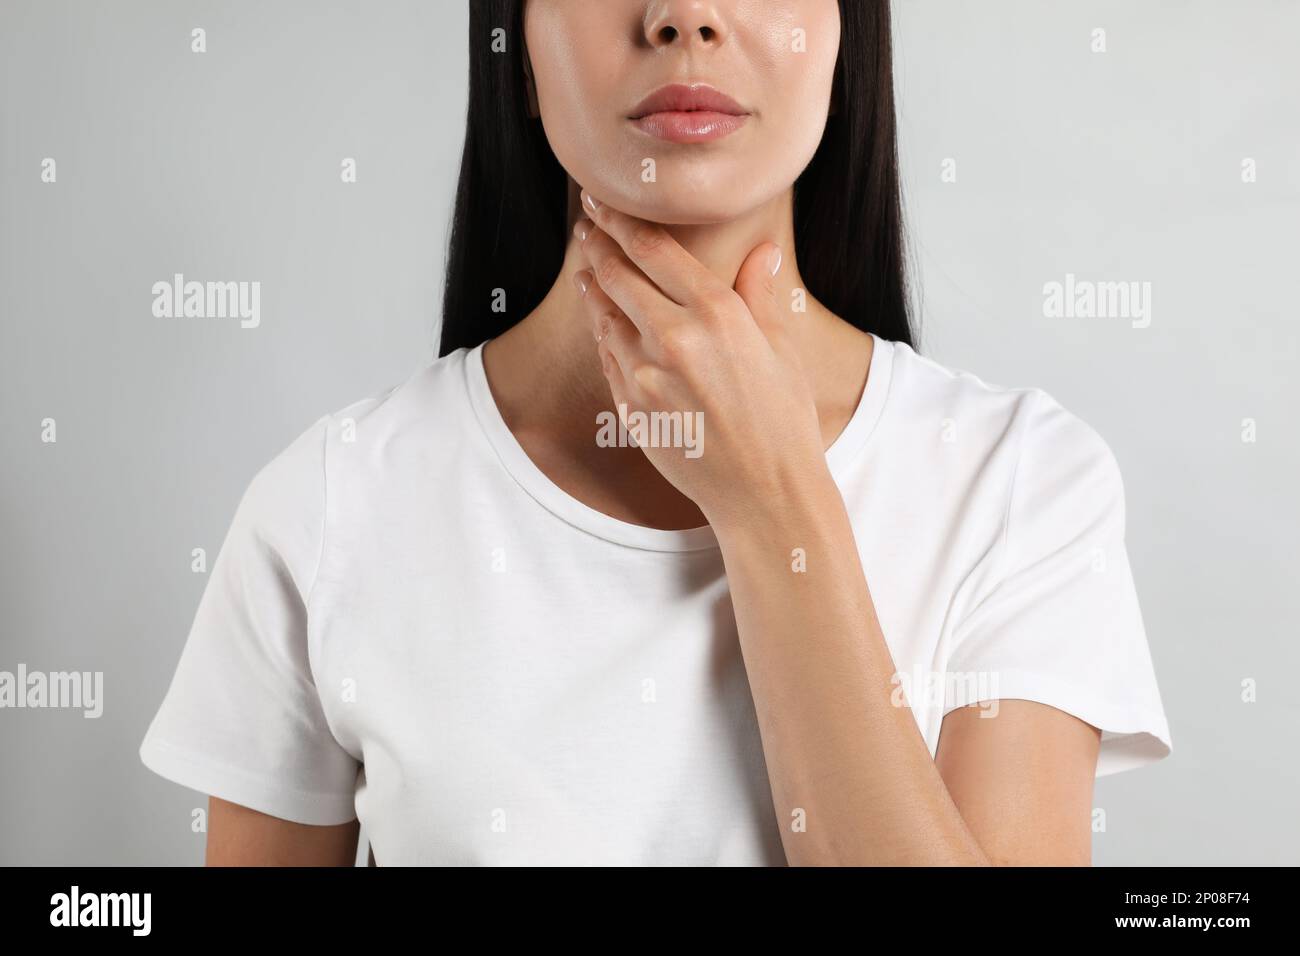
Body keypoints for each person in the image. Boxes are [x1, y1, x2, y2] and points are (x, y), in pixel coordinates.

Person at [140, 0, 1171, 866]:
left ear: (846, 36)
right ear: (519, 52)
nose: (681, 15)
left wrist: (770, 501)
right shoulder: (329, 505)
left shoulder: (1020, 482)